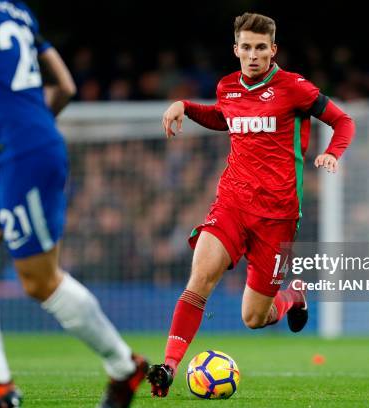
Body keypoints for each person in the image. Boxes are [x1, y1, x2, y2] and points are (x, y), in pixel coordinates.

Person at [0, 1, 146, 407]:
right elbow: (65, 86)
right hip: (9, 150)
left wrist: (22, 135)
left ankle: (124, 367)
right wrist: (31, 126)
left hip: (18, 152)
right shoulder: (15, 9)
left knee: (40, 281)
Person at [147, 12, 355, 397]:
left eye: (261, 48)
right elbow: (222, 117)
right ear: (236, 50)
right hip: (232, 203)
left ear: (273, 50)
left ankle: (292, 296)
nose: (254, 55)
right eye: (247, 48)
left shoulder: (295, 88)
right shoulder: (227, 87)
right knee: (201, 278)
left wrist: (333, 153)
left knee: (254, 317)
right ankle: (169, 366)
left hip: (278, 217)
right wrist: (186, 107)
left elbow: (343, 121)